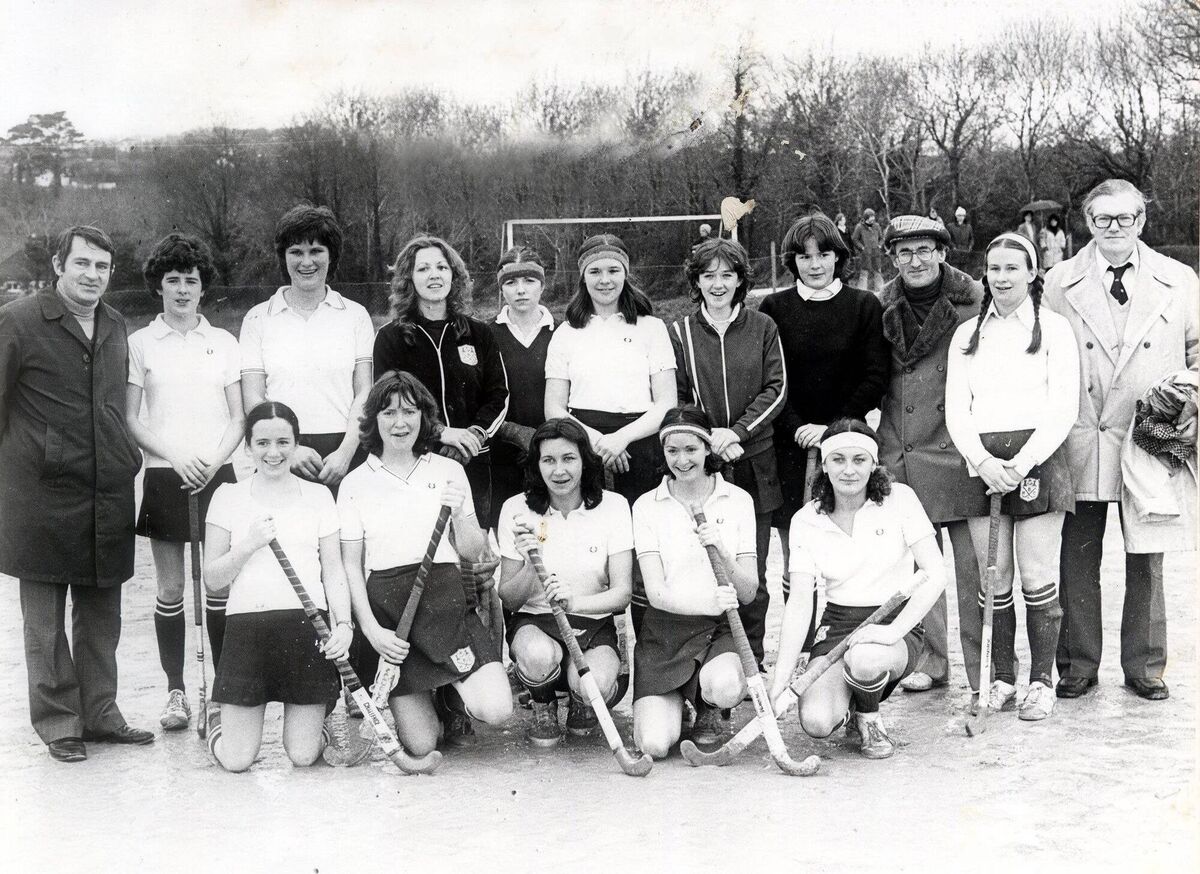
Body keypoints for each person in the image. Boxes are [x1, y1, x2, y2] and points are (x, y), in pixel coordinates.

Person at [0, 225, 153, 762]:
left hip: (105, 490)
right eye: (82, 264)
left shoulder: (114, 323)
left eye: (102, 267)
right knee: (43, 623)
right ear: (59, 265)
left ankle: (101, 714)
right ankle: (59, 723)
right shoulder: (18, 321)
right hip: (38, 497)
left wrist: (121, 458)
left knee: (101, 616)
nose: (92, 275)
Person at [1044, 178, 1199, 702]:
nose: (1114, 229)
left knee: (1148, 555)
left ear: (1142, 221)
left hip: (1148, 439)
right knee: (1077, 556)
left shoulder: (1178, 280)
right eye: (1103, 219)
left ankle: (1145, 665)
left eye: (1125, 219)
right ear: (1087, 223)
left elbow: (1198, 352)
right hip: (1082, 433)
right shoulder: (1058, 280)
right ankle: (1078, 665)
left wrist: (1188, 398)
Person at [338, 371, 512, 753]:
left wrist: (460, 511)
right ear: (374, 420)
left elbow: (471, 550)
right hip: (391, 615)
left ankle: (453, 695)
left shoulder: (447, 470)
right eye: (388, 413)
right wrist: (372, 632)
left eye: (410, 412)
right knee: (423, 745)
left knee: (496, 709)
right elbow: (350, 566)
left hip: (445, 602)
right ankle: (434, 700)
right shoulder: (355, 483)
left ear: (424, 417)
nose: (400, 423)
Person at [946, 232, 1079, 720]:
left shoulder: (1056, 330)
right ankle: (1002, 676)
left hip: (1038, 461)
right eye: (994, 269)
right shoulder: (967, 334)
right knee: (993, 578)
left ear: (1031, 273)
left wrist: (1019, 466)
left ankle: (1041, 682)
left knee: (1039, 577)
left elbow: (1063, 408)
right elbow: (957, 409)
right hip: (981, 464)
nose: (1001, 278)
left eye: (1011, 268)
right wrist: (982, 462)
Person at [770, 419, 947, 759]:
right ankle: (850, 706)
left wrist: (892, 630)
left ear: (873, 463)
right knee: (817, 723)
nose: (849, 470)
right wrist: (780, 678)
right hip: (838, 623)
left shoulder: (900, 500)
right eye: (838, 460)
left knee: (865, 659)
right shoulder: (806, 519)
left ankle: (869, 717)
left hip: (891, 624)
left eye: (859, 460)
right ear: (824, 464)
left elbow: (935, 573)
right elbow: (800, 602)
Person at [126, 233, 244, 731]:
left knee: (218, 588)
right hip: (163, 474)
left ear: (203, 287)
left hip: (219, 475)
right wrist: (175, 457)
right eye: (172, 280)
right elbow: (132, 418)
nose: (181, 289)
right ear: (158, 286)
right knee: (171, 589)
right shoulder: (140, 343)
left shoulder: (224, 341)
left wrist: (213, 463)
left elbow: (240, 418)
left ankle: (221, 690)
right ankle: (176, 690)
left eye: (190, 280)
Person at [759, 211, 888, 657]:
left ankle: (834, 648)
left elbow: (875, 375)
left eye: (824, 254)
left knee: (841, 548)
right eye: (804, 256)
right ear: (792, 261)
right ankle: (795, 650)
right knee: (798, 554)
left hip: (844, 444)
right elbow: (771, 380)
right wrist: (798, 428)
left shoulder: (864, 305)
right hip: (790, 443)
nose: (814, 265)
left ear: (839, 256)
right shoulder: (774, 308)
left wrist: (832, 430)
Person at [202, 402, 352, 771]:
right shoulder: (227, 496)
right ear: (248, 447)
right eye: (263, 442)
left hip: (306, 627)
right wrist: (248, 544)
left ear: (296, 443)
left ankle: (321, 717)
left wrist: (344, 624)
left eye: (284, 442)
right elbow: (213, 578)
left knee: (302, 755)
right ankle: (221, 723)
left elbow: (333, 570)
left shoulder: (318, 496)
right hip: (247, 629)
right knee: (237, 760)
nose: (273, 452)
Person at [544, 233, 677, 628]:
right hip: (585, 441)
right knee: (596, 547)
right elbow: (554, 406)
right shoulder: (566, 333)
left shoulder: (651, 328)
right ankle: (596, 642)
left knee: (645, 547)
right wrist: (598, 442)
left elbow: (666, 401)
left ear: (626, 274)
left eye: (613, 270)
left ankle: (650, 643)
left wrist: (622, 438)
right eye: (595, 271)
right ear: (583, 277)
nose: (605, 279)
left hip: (641, 439)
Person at [876, 215, 985, 695]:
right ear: (893, 258)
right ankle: (934, 661)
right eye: (904, 252)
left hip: (959, 449)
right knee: (922, 572)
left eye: (924, 250)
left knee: (975, 571)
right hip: (903, 449)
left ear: (943, 252)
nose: (915, 261)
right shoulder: (878, 307)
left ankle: (983, 669)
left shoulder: (976, 303)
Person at [670, 237, 786, 670]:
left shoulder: (762, 327)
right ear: (696, 282)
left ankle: (750, 657)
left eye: (727, 275)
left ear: (741, 280)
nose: (718, 284)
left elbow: (777, 389)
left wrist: (736, 432)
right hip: (701, 464)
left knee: (748, 568)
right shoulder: (679, 330)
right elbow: (679, 399)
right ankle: (707, 655)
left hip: (753, 460)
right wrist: (707, 439)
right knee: (701, 559)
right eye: (708, 276)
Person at [497, 418, 633, 746]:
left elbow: (622, 593)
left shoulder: (614, 507)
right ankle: (542, 701)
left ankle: (578, 700)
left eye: (569, 458)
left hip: (594, 620)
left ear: (586, 460)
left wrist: (575, 602)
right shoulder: (515, 509)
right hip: (536, 622)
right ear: (536, 465)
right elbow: (509, 598)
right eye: (548, 460)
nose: (559, 470)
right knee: (538, 657)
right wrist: (532, 560)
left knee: (594, 687)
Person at [631, 407, 756, 758]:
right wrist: (707, 603)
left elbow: (747, 592)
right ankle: (676, 703)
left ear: (707, 449)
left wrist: (721, 551)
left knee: (726, 686)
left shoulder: (738, 500)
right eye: (673, 451)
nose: (682, 460)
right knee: (654, 745)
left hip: (720, 629)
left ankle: (709, 706)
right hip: (666, 631)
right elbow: (655, 593)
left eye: (691, 449)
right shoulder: (646, 506)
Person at [373, 235, 509, 526]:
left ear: (454, 275)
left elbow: (499, 394)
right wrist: (440, 433)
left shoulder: (478, 333)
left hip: (473, 457)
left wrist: (474, 434)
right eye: (423, 269)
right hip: (416, 457)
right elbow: (386, 404)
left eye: (441, 267)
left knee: (475, 554)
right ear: (408, 278)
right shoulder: (390, 337)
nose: (434, 274)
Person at [239, 205, 374, 498]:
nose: (306, 262)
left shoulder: (356, 315)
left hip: (344, 453)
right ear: (283, 257)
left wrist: (346, 453)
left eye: (316, 251)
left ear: (331, 255)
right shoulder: (257, 318)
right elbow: (252, 397)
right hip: (282, 452)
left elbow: (364, 392)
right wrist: (291, 449)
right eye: (296, 252)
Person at [488, 246, 554, 529]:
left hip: (554, 451)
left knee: (551, 530)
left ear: (542, 284)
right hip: (502, 455)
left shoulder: (563, 332)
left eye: (529, 281)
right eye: (511, 283)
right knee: (512, 533)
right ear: (502, 288)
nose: (521, 290)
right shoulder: (485, 334)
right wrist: (513, 431)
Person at [851, 208, 885, 294]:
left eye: (873, 216)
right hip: (865, 254)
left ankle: (881, 292)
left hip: (876, 253)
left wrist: (880, 245)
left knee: (878, 272)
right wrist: (862, 248)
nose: (873, 218)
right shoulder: (859, 227)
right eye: (871, 217)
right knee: (864, 274)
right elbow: (855, 239)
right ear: (866, 217)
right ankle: (862, 293)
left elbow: (882, 238)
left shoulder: (876, 226)